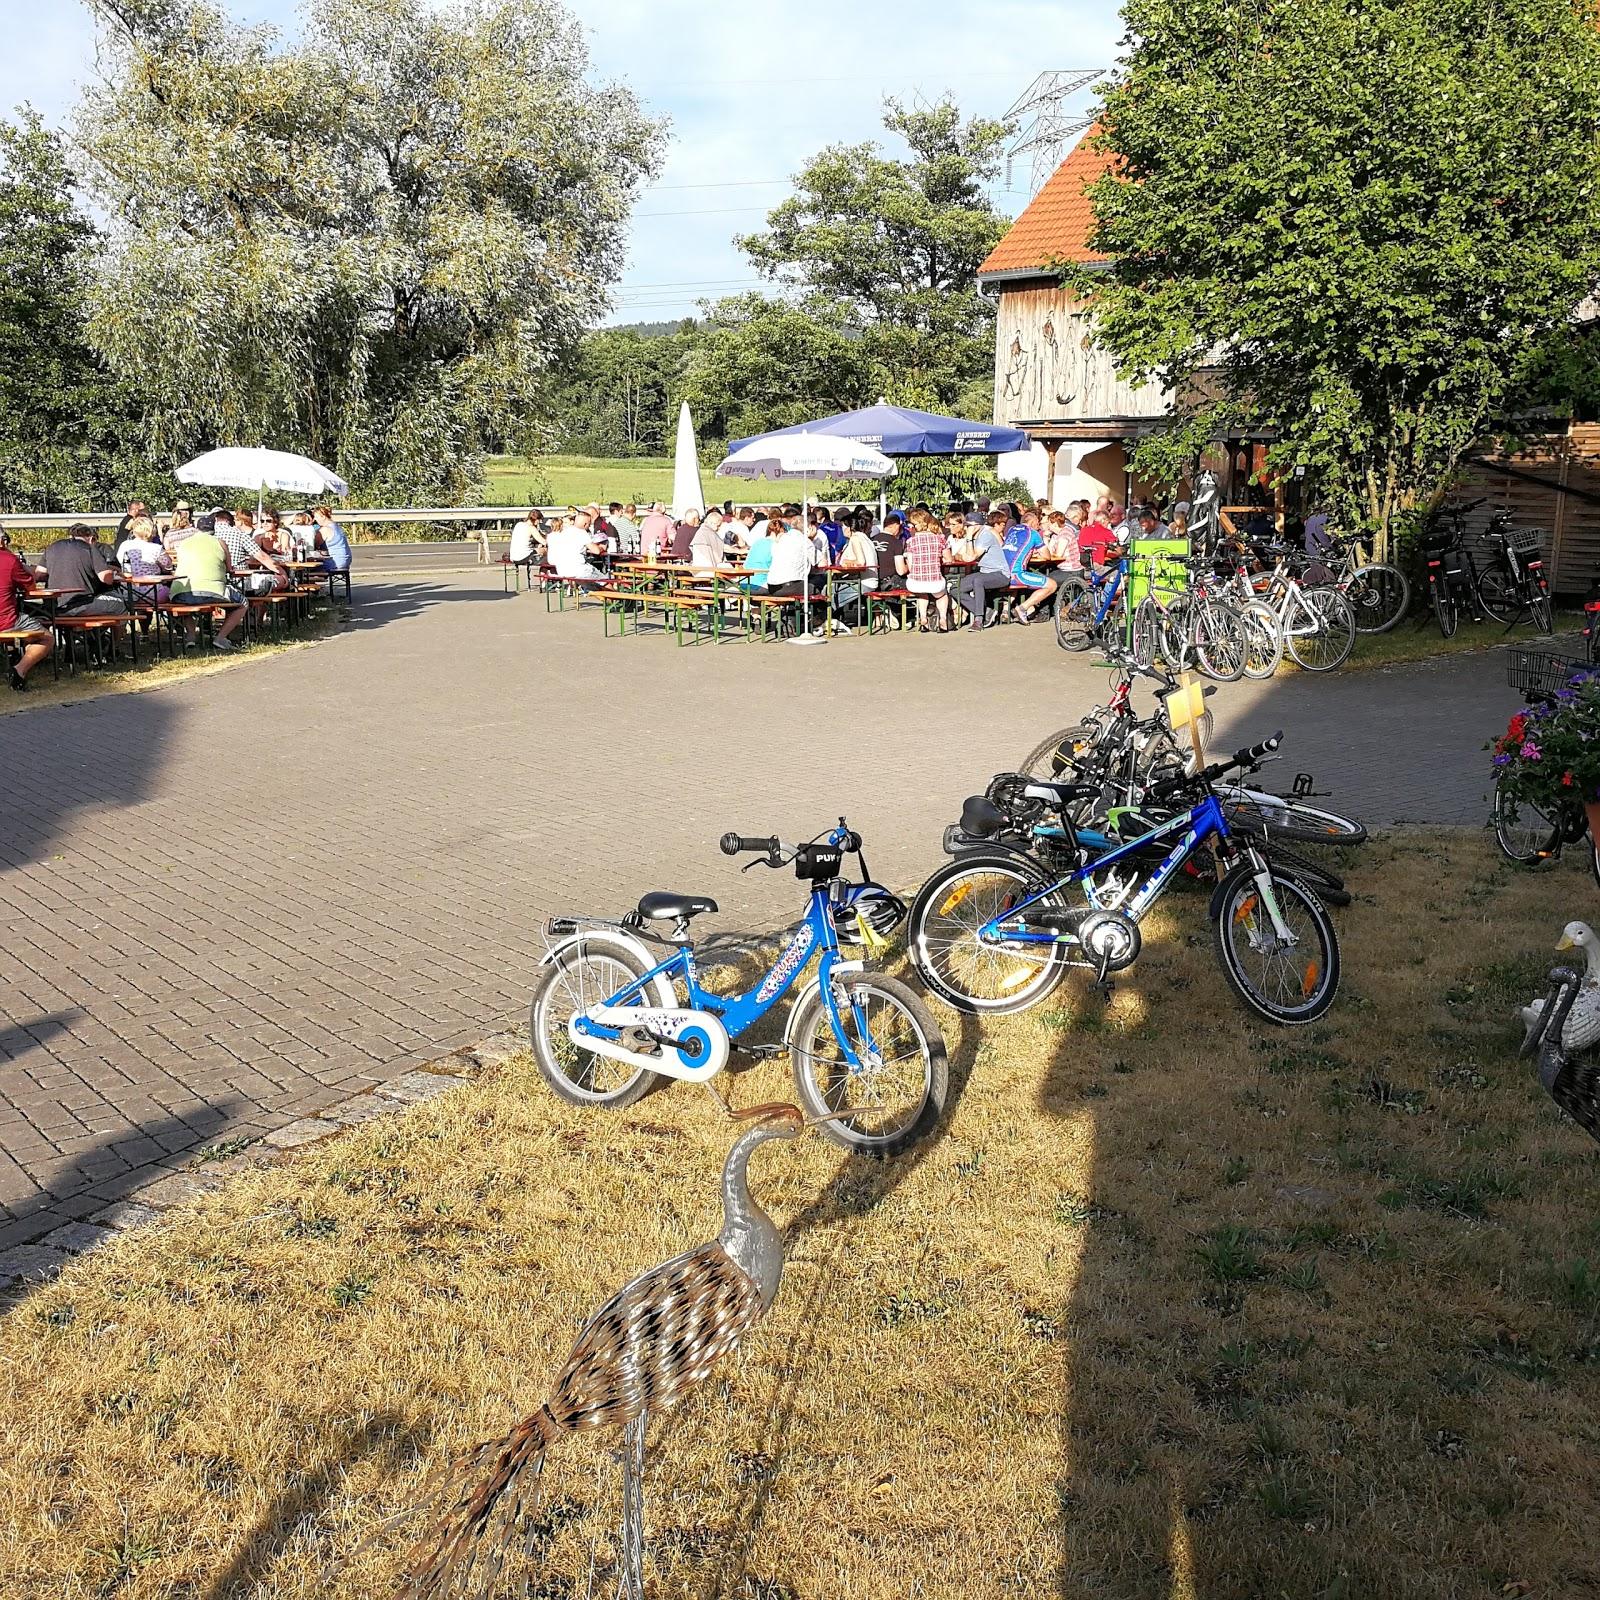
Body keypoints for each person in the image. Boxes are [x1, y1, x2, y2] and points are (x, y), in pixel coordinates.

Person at [169, 519, 247, 649]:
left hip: (181, 590)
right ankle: (221, 638)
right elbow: (229, 569)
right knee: (242, 603)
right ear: (213, 530)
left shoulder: (184, 543)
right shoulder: (220, 543)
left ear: (196, 528)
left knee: (183, 605)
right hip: (213, 591)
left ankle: (191, 636)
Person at [1, 524, 52, 689]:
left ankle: (12, 655)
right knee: (46, 637)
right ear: (2, 541)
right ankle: (20, 670)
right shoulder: (9, 560)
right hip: (6, 621)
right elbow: (31, 588)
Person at [37, 524, 127, 616]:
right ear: (92, 539)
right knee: (120, 605)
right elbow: (106, 578)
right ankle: (117, 630)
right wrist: (111, 572)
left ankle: (94, 630)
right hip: (80, 604)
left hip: (52, 606)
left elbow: (39, 574)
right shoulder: (90, 548)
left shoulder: (53, 547)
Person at [763, 512, 825, 627]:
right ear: (807, 528)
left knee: (801, 585)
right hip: (790, 586)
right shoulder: (804, 541)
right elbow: (822, 563)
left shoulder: (781, 538)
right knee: (819, 582)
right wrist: (811, 539)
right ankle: (817, 620)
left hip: (772, 585)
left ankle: (792, 621)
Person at [957, 511, 1013, 631]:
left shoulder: (985, 535)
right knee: (955, 588)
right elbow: (961, 555)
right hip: (984, 573)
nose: (966, 528)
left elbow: (970, 557)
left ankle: (978, 620)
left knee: (978, 580)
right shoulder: (974, 537)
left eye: (968, 526)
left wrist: (968, 537)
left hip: (1000, 574)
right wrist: (967, 544)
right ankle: (987, 611)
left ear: (977, 526)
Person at [898, 510, 952, 632]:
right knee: (941, 595)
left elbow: (911, 566)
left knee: (922, 593)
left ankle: (923, 619)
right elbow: (948, 559)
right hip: (935, 581)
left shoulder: (910, 541)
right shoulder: (940, 539)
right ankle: (943, 620)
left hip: (915, 582)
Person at [1003, 508, 1053, 625]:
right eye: (1037, 524)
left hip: (1002, 572)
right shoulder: (1033, 533)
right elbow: (1047, 556)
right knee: (1052, 585)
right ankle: (1023, 608)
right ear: (1031, 523)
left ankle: (1006, 610)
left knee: (1018, 585)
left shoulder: (1011, 530)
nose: (1039, 526)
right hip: (1016, 574)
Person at [546, 510, 606, 579]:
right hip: (580, 570)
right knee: (605, 582)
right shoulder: (581, 532)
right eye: (589, 524)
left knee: (591, 584)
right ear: (585, 524)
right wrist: (601, 548)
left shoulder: (562, 532)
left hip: (562, 570)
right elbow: (596, 551)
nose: (589, 526)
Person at [313, 505, 352, 573]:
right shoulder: (336, 526)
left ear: (323, 516)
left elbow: (313, 545)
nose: (315, 519)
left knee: (308, 568)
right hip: (345, 560)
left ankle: (308, 582)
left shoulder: (325, 530)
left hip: (335, 562)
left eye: (316, 517)